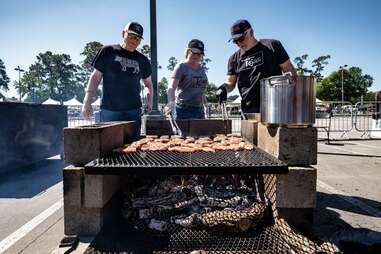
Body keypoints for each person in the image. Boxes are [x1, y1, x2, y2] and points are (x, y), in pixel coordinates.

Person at [81, 22, 153, 137]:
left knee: (133, 146)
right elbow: (95, 77)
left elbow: (148, 83)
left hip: (133, 111)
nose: (134, 40)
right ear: (123, 33)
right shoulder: (108, 51)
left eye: (138, 38)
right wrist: (87, 101)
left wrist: (150, 101)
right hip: (110, 110)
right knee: (107, 146)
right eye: (131, 35)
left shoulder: (143, 59)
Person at [217, 19, 296, 116]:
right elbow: (230, 82)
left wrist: (295, 97)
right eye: (235, 41)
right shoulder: (233, 59)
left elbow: (289, 71)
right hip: (248, 109)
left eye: (241, 38)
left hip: (274, 106)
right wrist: (223, 89)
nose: (239, 43)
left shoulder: (272, 45)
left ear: (251, 31)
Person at [165, 39, 208, 120]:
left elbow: (201, 90)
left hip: (199, 110)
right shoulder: (181, 67)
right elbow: (171, 88)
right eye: (194, 52)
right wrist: (171, 103)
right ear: (188, 51)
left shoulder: (202, 69)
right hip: (183, 110)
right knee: (184, 132)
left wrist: (206, 106)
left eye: (199, 54)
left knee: (202, 133)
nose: (196, 55)